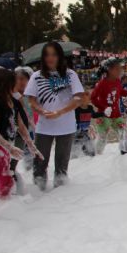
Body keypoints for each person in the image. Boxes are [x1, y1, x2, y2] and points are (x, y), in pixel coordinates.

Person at [25, 42, 85, 190]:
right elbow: (31, 100)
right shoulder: (36, 76)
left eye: (54, 54)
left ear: (60, 56)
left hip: (66, 127)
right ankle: (38, 196)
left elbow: (79, 98)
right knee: (39, 165)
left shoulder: (70, 74)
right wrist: (41, 110)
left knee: (61, 167)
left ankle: (60, 197)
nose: (50, 58)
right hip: (44, 127)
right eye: (47, 54)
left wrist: (60, 112)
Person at [0, 68, 43, 198]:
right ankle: (6, 213)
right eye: (15, 81)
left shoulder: (14, 101)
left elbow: (20, 125)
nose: (18, 83)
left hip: (4, 146)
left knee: (5, 182)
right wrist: (9, 147)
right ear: (4, 84)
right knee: (5, 183)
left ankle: (6, 210)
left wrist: (30, 144)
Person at [90, 58, 127, 154]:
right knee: (102, 138)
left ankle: (124, 153)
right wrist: (104, 108)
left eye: (120, 68)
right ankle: (96, 157)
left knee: (123, 133)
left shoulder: (118, 81)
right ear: (109, 70)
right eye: (117, 68)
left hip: (116, 115)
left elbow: (120, 92)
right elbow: (93, 98)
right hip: (104, 116)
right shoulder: (102, 84)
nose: (120, 70)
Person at [73, 90, 96, 157]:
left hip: (85, 132)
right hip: (76, 132)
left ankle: (88, 155)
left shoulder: (90, 108)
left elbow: (94, 115)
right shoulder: (76, 109)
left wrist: (104, 113)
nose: (88, 100)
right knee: (75, 151)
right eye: (83, 99)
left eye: (88, 98)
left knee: (91, 152)